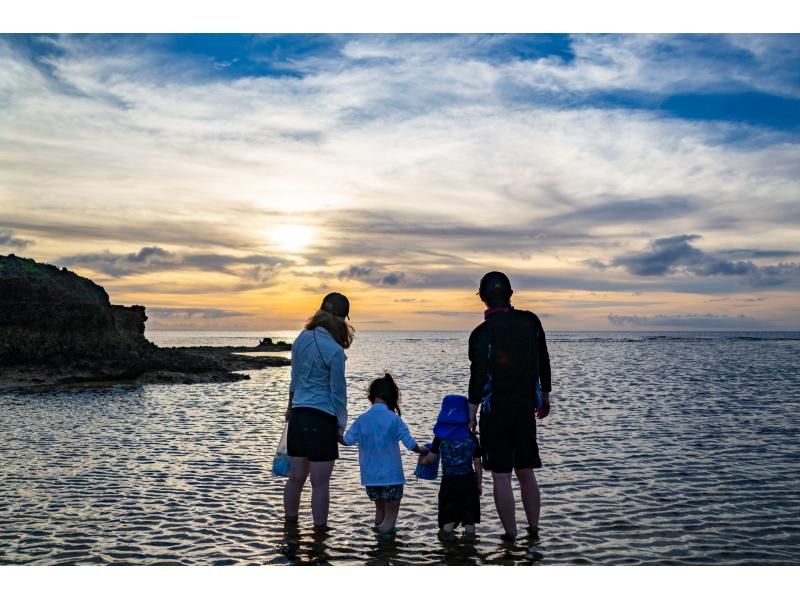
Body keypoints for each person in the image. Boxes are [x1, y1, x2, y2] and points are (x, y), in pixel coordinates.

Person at [468, 271, 552, 541]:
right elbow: (543, 359)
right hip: (525, 409)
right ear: (511, 295)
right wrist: (545, 396)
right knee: (526, 471)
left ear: (482, 298)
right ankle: (534, 531)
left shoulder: (481, 333)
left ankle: (510, 536)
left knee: (502, 476)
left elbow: (478, 377)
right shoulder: (531, 321)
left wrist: (471, 413)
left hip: (495, 412)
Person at [283, 292, 354, 531]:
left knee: (295, 478)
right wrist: (340, 426)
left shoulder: (300, 339)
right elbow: (338, 392)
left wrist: (289, 408)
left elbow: (294, 380)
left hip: (298, 415)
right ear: (343, 319)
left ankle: (290, 529)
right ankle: (320, 536)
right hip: (321, 418)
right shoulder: (334, 350)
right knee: (320, 484)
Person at [342, 373, 424, 538]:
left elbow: (346, 441)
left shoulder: (362, 419)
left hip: (370, 478)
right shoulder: (393, 419)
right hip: (391, 477)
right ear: (392, 396)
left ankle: (379, 543)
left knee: (380, 511)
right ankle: (383, 543)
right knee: (390, 517)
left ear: (371, 395)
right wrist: (421, 450)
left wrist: (333, 430)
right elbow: (410, 444)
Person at [418, 394, 483, 541]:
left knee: (448, 516)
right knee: (469, 518)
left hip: (449, 483)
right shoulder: (472, 437)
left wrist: (422, 461)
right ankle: (469, 544)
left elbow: (430, 459)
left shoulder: (440, 437)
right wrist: (479, 483)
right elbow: (477, 463)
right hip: (468, 482)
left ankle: (448, 545)